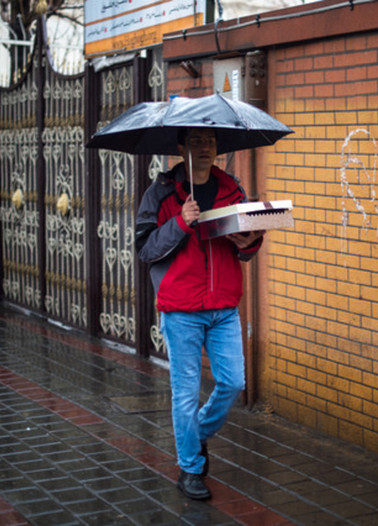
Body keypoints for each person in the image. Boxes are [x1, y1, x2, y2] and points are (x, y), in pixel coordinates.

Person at [134, 127, 264, 500]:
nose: (204, 148)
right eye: (195, 141)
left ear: (216, 147)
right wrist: (180, 222)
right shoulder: (160, 194)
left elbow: (243, 250)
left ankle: (196, 433)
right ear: (182, 148)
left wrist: (250, 241)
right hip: (181, 309)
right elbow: (145, 249)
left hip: (223, 305)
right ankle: (190, 469)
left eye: (209, 142)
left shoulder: (231, 189)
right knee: (186, 393)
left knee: (233, 382)